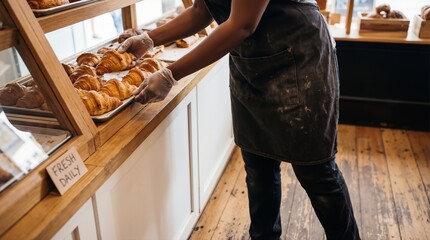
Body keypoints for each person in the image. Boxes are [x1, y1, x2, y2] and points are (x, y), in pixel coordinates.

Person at [117, 0, 361, 239]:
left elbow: (243, 24)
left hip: (297, 57)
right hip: (251, 67)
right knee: (258, 169)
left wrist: (172, 74)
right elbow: (201, 11)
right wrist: (150, 39)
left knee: (315, 170)